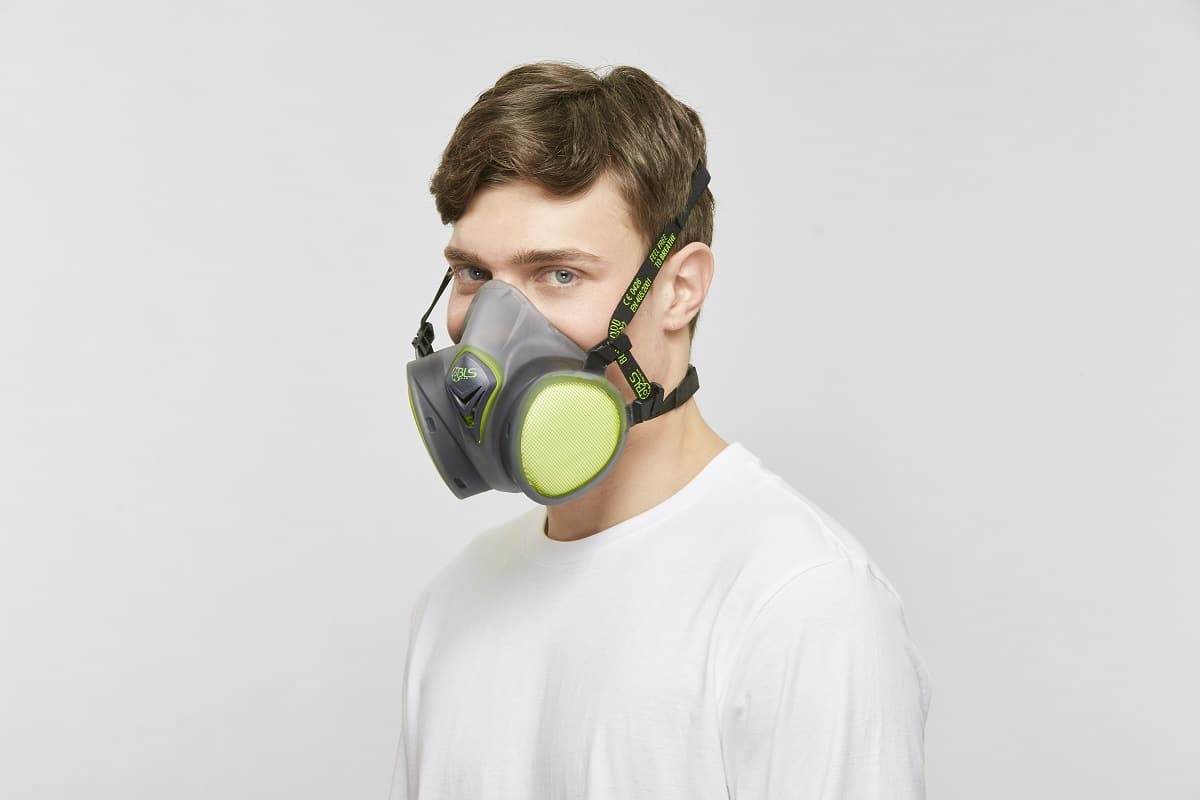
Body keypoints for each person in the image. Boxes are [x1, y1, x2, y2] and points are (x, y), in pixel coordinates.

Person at [391, 61, 932, 799]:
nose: (492, 329)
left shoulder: (798, 601)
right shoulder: (455, 603)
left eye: (559, 274)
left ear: (679, 289)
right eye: (475, 276)